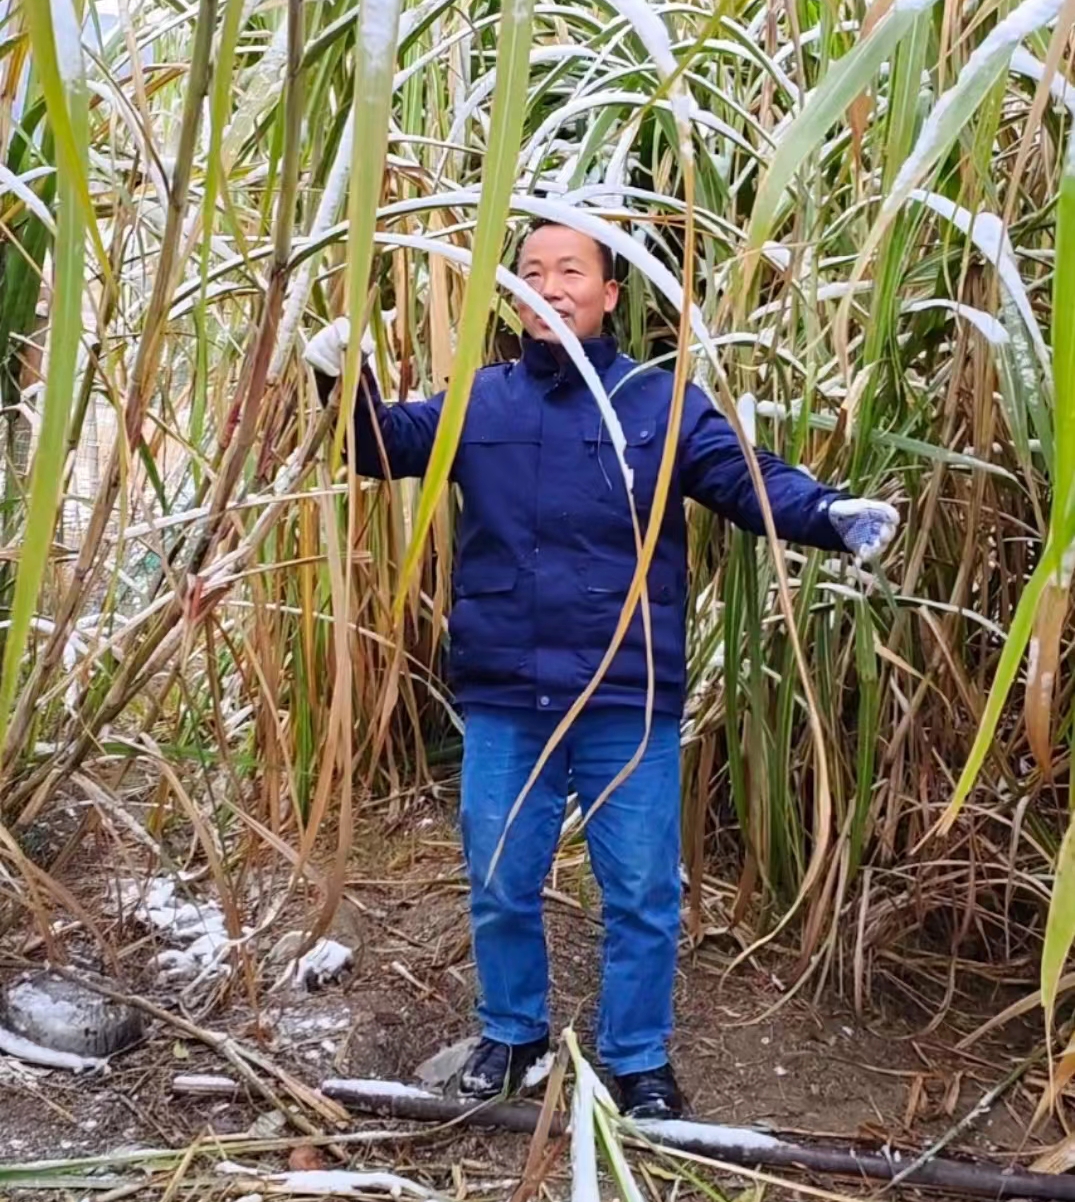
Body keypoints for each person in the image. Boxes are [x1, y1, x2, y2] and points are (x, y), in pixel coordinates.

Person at [303, 224, 899, 1117]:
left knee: (644, 889)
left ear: (610, 292)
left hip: (629, 690)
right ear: (514, 298)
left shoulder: (658, 401)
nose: (550, 286)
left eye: (570, 270)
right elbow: (381, 446)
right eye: (532, 273)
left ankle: (638, 1059)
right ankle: (511, 1034)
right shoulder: (481, 399)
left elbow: (745, 479)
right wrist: (341, 379)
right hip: (507, 692)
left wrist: (825, 513)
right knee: (500, 874)